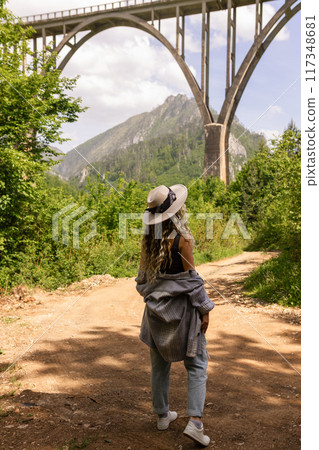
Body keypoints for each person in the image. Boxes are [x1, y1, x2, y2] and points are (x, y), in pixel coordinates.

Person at [135, 184, 214, 447]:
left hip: (155, 314)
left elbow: (142, 281)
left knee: (159, 366)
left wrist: (157, 294)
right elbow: (192, 281)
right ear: (176, 211)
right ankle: (195, 423)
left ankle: (162, 416)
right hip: (183, 313)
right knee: (197, 364)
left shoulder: (148, 240)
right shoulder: (183, 240)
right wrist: (204, 309)